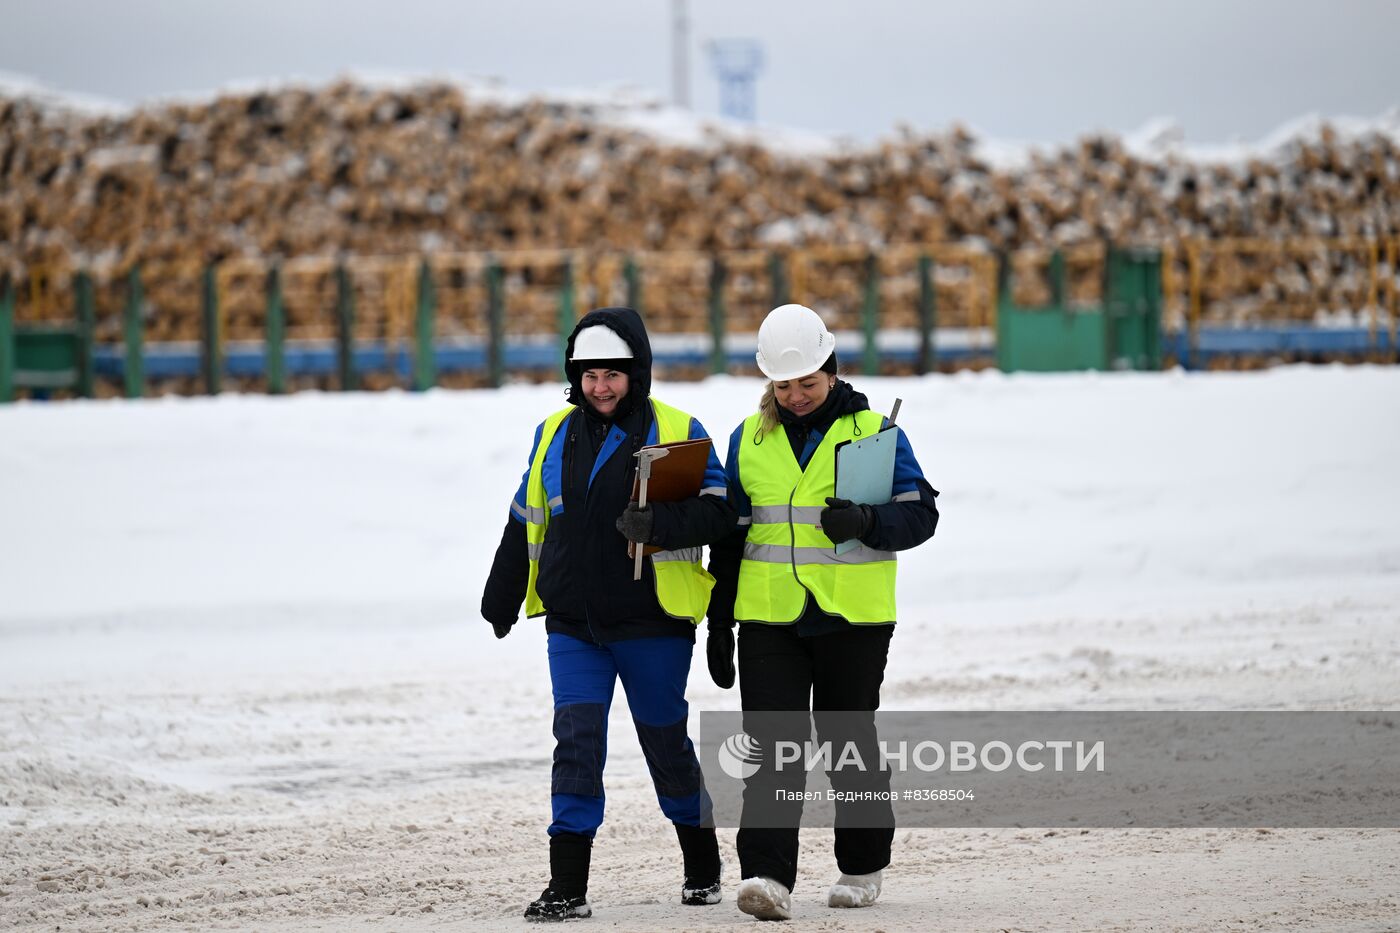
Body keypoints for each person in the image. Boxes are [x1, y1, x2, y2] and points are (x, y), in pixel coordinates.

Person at [481, 306, 737, 922]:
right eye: (590, 374)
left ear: (637, 373)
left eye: (613, 374)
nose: (601, 386)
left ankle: (702, 867)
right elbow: (528, 516)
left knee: (664, 742)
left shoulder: (678, 427)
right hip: (574, 623)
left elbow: (722, 512)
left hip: (652, 621)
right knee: (576, 742)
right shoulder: (551, 432)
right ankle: (567, 886)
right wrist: (503, 588)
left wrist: (662, 524)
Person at [704, 303, 940, 921]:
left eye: (807, 382)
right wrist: (720, 620)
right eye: (784, 385)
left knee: (847, 742)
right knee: (772, 747)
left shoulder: (874, 433)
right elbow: (731, 537)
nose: (796, 395)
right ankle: (766, 876)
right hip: (770, 616)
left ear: (831, 371)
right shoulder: (749, 439)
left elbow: (922, 515)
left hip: (852, 617)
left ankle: (862, 867)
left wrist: (868, 520)